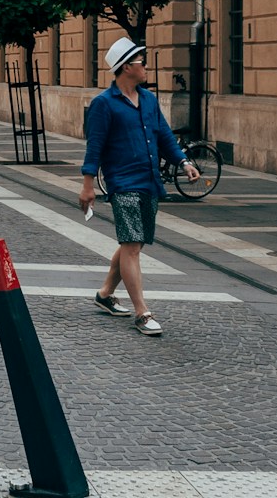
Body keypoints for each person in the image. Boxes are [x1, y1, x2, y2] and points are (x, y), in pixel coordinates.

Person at [80, 39, 197, 338]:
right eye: (141, 61)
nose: (145, 66)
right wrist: (88, 185)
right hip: (123, 183)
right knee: (132, 245)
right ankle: (142, 312)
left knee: (134, 243)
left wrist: (183, 163)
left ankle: (105, 294)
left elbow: (164, 137)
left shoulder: (148, 99)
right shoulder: (103, 104)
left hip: (149, 180)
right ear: (127, 67)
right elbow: (95, 148)